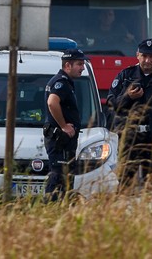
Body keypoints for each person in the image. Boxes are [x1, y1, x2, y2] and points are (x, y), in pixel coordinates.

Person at [106, 38, 152, 189]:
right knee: (125, 183)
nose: (147, 60)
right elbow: (111, 104)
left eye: (151, 56)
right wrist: (128, 97)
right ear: (137, 55)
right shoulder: (126, 76)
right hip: (129, 137)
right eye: (144, 56)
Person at [43, 48, 87, 200]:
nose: (83, 68)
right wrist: (63, 126)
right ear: (68, 65)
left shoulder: (64, 82)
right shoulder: (61, 83)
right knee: (58, 176)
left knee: (64, 176)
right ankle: (51, 208)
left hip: (62, 140)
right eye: (79, 64)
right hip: (59, 139)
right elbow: (52, 102)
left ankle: (59, 206)